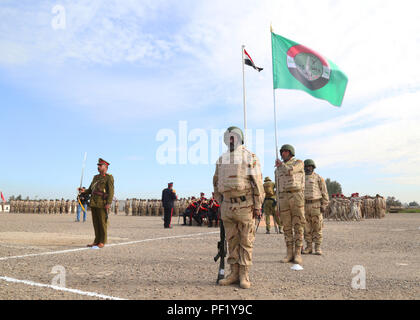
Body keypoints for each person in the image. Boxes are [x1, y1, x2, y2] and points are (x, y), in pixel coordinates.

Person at [213, 126, 264, 289]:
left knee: (246, 241)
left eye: (234, 136)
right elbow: (215, 182)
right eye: (228, 137)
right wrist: (220, 201)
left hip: (245, 205)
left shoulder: (250, 156)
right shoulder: (221, 159)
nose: (231, 139)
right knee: (232, 241)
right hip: (227, 206)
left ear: (240, 138)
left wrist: (257, 206)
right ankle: (233, 273)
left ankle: (244, 275)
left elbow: (257, 183)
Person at [275, 144, 305, 265]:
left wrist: (281, 165)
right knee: (286, 226)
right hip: (283, 197)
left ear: (291, 153)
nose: (283, 154)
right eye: (282, 152)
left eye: (285, 152)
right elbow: (277, 187)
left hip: (296, 195)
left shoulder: (298, 163)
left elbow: (290, 171)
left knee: (298, 224)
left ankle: (297, 252)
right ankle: (289, 253)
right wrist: (278, 205)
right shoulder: (277, 169)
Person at [79, 158, 114, 248]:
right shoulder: (95, 177)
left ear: (105, 167)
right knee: (96, 223)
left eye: (100, 165)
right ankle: (96, 240)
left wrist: (109, 203)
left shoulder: (109, 177)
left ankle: (102, 241)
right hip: (94, 202)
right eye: (98, 165)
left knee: (102, 223)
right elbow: (91, 190)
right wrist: (83, 191)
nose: (98, 167)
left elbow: (111, 191)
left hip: (102, 203)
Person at [302, 159, 329, 255]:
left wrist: (324, 204)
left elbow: (324, 192)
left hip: (316, 205)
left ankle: (318, 247)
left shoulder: (318, 178)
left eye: (310, 166)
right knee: (306, 228)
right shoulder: (301, 178)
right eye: (306, 166)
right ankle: (309, 247)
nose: (308, 168)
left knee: (317, 227)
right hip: (304, 205)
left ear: (313, 167)